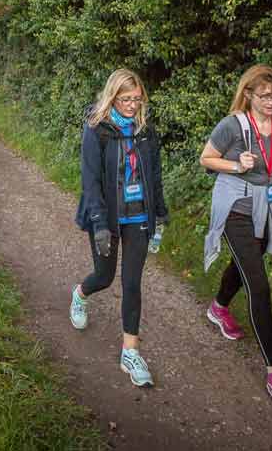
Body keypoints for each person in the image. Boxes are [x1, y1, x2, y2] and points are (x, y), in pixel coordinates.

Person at [197, 63, 272, 412]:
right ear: (249, 95)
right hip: (235, 206)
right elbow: (206, 159)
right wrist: (235, 165)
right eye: (265, 96)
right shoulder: (232, 126)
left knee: (246, 264)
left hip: (266, 206)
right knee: (259, 284)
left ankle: (218, 308)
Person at [71, 68, 169, 388]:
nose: (132, 105)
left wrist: (160, 217)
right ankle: (80, 294)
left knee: (132, 283)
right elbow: (91, 182)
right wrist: (99, 224)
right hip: (107, 217)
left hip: (139, 216)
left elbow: (154, 176)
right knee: (105, 276)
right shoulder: (97, 130)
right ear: (112, 97)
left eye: (137, 99)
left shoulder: (145, 131)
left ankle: (130, 352)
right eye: (126, 99)